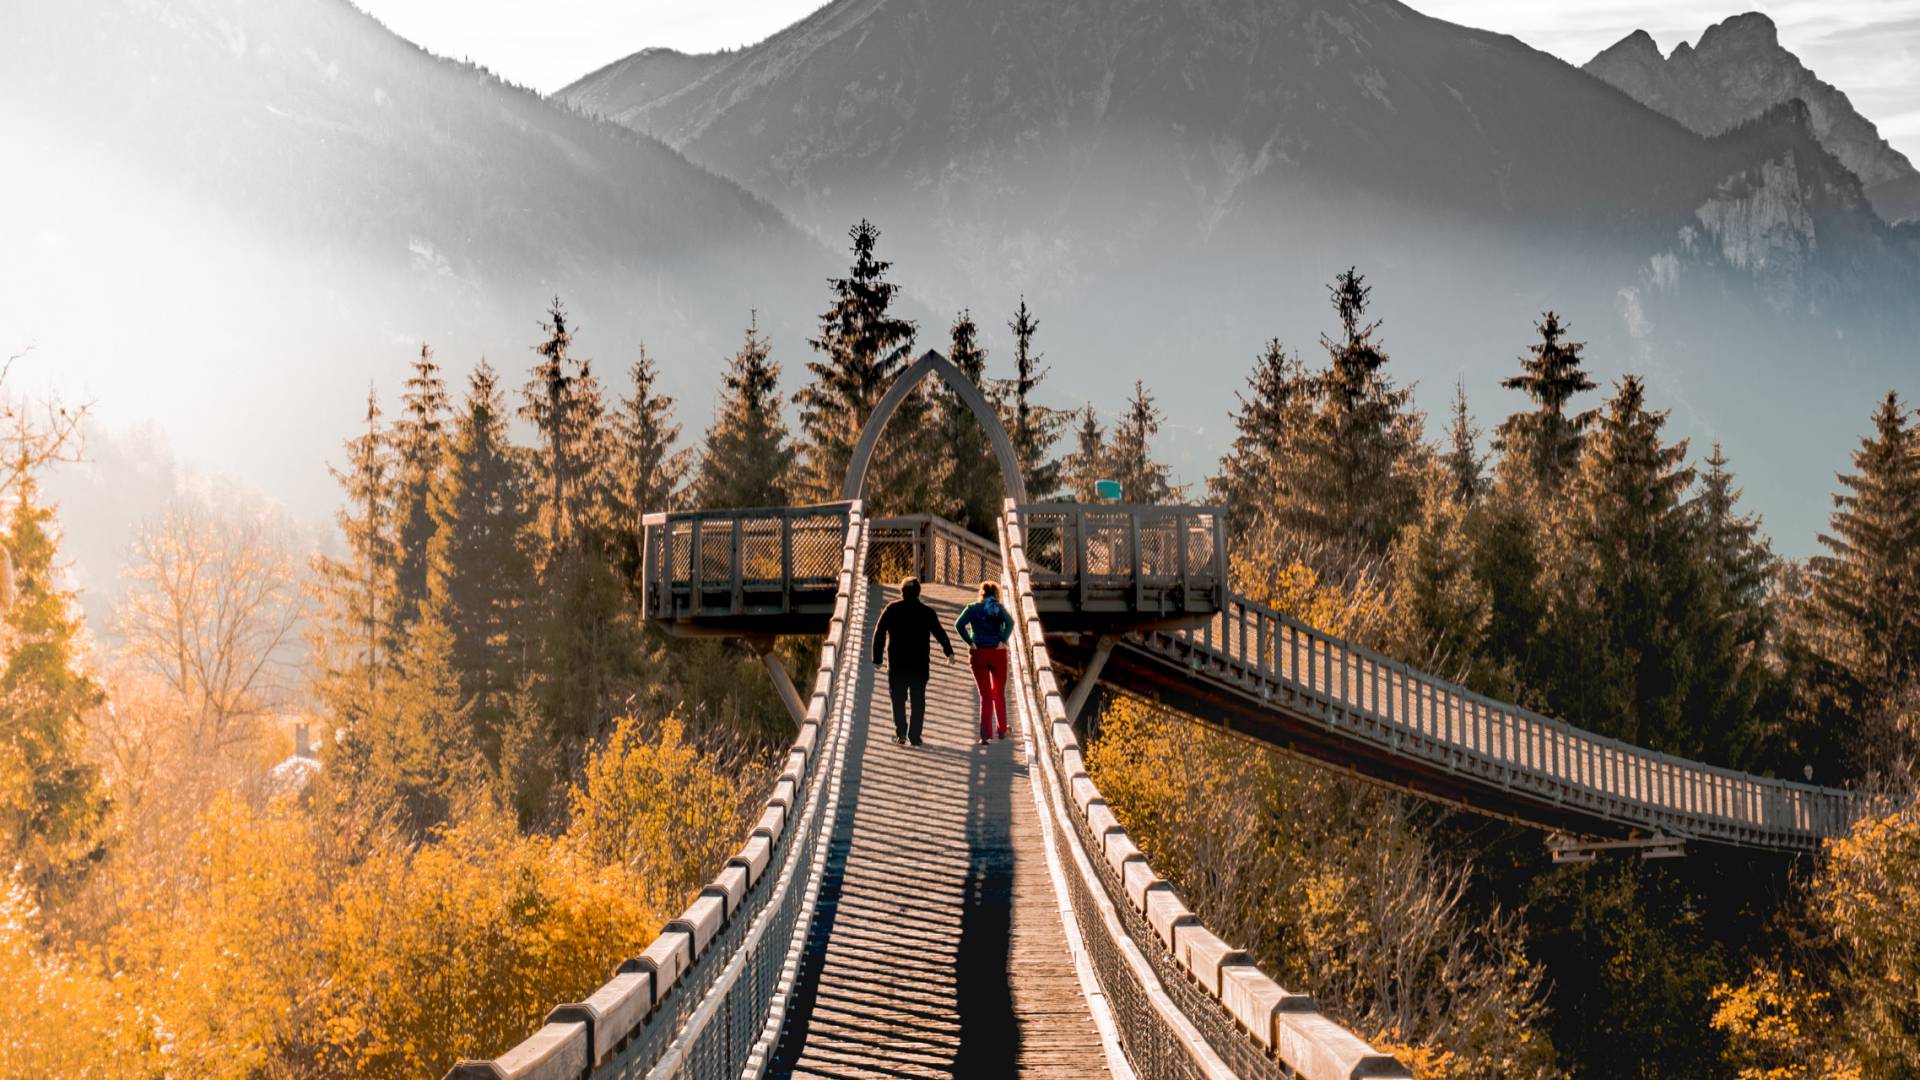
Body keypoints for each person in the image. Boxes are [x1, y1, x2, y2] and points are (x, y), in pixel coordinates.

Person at [870, 577, 953, 746]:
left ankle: (901, 732)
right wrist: (948, 651)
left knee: (898, 700)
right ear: (918, 592)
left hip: (897, 665)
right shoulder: (927, 612)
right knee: (918, 700)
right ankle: (915, 736)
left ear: (902, 591)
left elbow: (879, 632)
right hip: (919, 665)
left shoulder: (892, 609)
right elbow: (939, 632)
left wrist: (877, 658)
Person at [955, 581, 1015, 744]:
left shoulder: (972, 608)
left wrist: (970, 642)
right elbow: (1010, 623)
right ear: (996, 594)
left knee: (985, 695)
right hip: (997, 653)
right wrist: (1002, 640)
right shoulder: (998, 609)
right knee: (998, 693)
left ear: (981, 593)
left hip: (978, 654)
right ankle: (1002, 730)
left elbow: (959, 624)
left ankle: (985, 736)